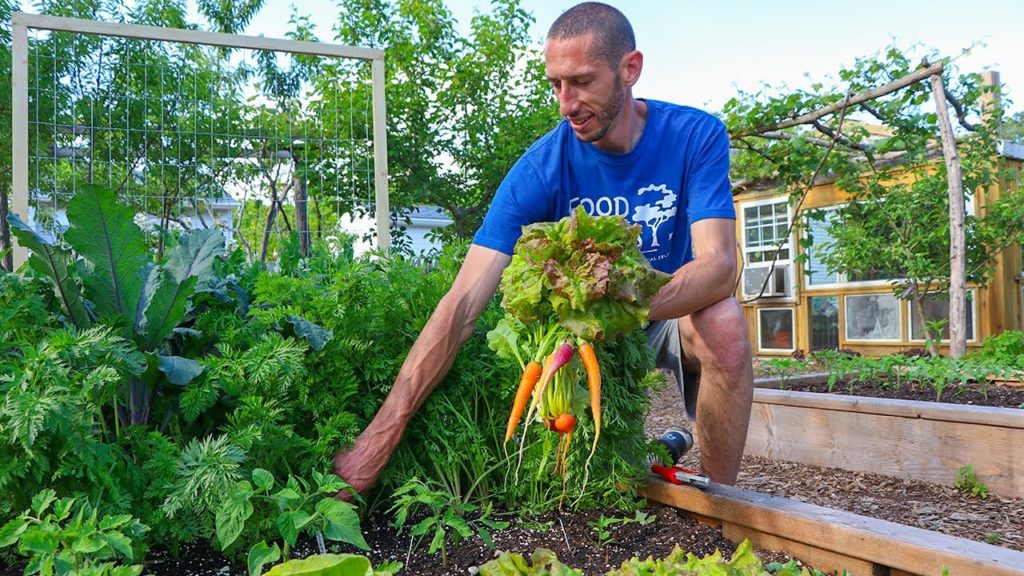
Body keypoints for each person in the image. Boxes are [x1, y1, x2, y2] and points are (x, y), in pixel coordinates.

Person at [334, 1, 754, 494]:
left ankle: (723, 511)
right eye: (555, 84)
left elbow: (720, 267)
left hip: (667, 311)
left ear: (630, 69)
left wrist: (613, 307)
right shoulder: (541, 167)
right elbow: (463, 301)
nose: (565, 104)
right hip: (582, 336)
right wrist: (377, 440)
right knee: (587, 465)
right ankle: (633, 459)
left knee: (724, 322)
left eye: (580, 81)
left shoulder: (694, 136)